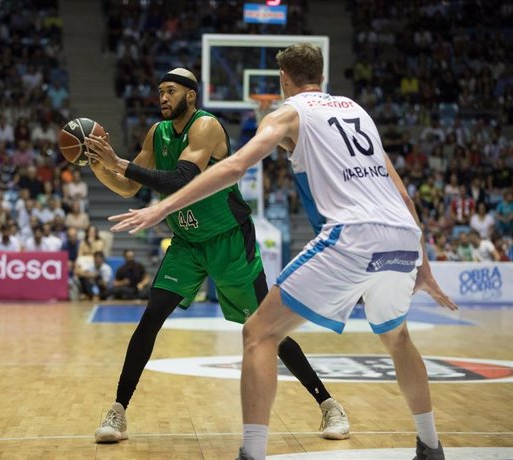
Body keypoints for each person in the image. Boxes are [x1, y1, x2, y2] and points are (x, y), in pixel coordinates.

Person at [107, 46, 457, 460]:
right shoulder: (357, 112)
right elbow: (400, 190)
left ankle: (255, 452)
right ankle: (430, 445)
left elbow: (235, 168)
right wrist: (424, 261)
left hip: (340, 234)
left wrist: (163, 207)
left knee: (258, 332)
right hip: (401, 235)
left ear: (283, 77)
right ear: (321, 74)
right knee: (397, 338)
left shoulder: (286, 113)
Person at [85, 67, 351, 444]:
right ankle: (118, 412)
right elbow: (128, 187)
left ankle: (328, 405)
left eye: (171, 91)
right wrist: (101, 165)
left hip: (228, 242)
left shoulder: (205, 127)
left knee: (268, 332)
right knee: (150, 319)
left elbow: (181, 180)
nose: (163, 97)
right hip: (187, 244)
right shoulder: (156, 134)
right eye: (160, 91)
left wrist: (120, 162)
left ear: (190, 95)